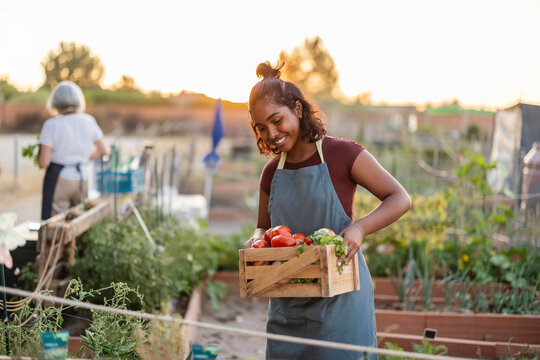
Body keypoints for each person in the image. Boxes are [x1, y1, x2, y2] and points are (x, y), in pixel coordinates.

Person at [244, 62, 412, 360]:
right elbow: (262, 227)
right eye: (261, 127)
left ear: (297, 108)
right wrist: (256, 240)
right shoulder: (271, 174)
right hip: (288, 305)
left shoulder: (342, 154)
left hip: (341, 303)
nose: (271, 133)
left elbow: (399, 197)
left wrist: (359, 228)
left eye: (277, 120)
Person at [38, 81, 108, 220]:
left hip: (60, 179)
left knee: (55, 225)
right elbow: (104, 151)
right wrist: (84, 156)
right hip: (83, 177)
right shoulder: (89, 121)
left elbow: (44, 162)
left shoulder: (51, 125)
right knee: (78, 221)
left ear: (55, 101)